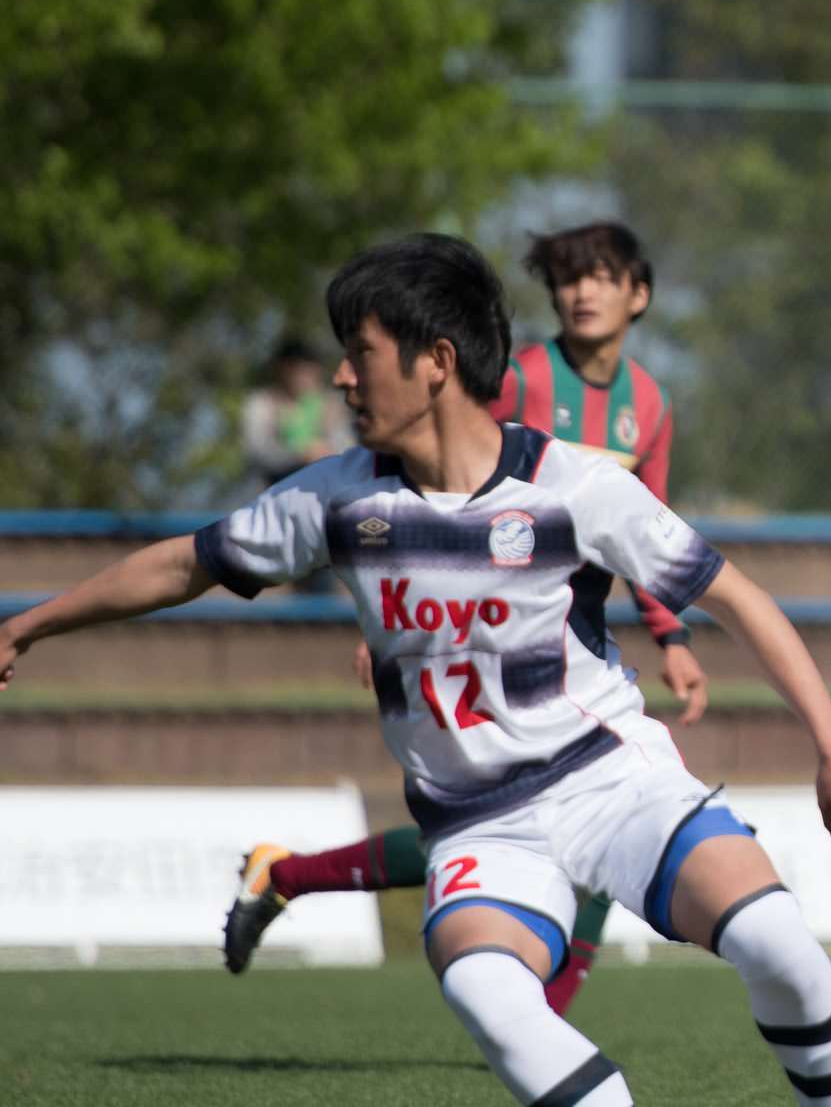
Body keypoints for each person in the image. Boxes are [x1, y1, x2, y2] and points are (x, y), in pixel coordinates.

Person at [0, 234, 831, 1107]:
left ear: (436, 361)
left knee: (777, 942)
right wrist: (28, 625)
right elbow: (186, 564)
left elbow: (735, 596)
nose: (342, 377)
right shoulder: (337, 497)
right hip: (479, 825)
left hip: (611, 780)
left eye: (360, 351)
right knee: (484, 985)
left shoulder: (572, 485)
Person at [225, 223, 709, 1016]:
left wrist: (672, 636)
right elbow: (416, 479)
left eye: (599, 276)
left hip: (573, 637)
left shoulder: (650, 404)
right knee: (512, 823)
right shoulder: (520, 379)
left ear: (639, 293)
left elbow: (651, 528)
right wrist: (390, 616)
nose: (581, 292)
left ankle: (288, 875)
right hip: (476, 628)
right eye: (567, 279)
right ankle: (541, 1008)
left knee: (575, 821)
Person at [242, 336, 354, 488]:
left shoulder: (332, 403)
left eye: (308, 369)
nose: (304, 376)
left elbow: (347, 449)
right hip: (275, 487)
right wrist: (300, 454)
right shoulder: (262, 403)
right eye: (298, 369)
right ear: (282, 369)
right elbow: (257, 452)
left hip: (326, 485)